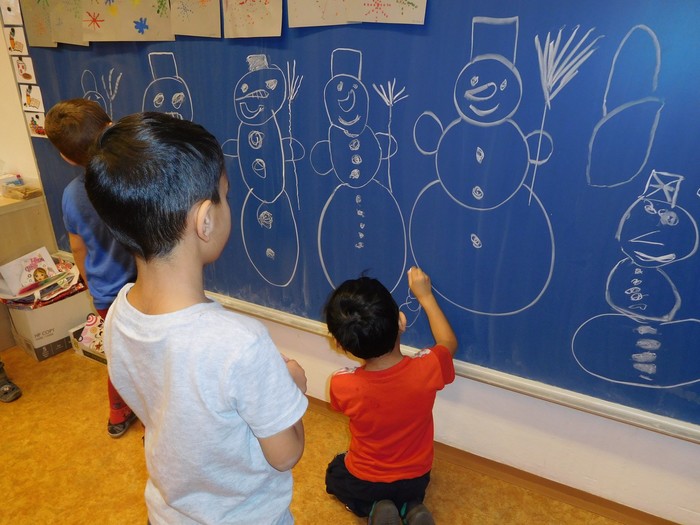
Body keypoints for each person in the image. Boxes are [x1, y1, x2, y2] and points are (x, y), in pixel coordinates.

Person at [84, 112, 308, 524]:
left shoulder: (118, 313)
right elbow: (286, 454)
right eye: (226, 194)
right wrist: (291, 385)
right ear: (205, 220)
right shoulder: (240, 343)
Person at [324, 268, 458, 525]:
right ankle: (411, 506)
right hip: (416, 478)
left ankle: (375, 507)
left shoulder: (341, 384)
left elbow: (341, 406)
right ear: (401, 322)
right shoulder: (428, 368)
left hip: (366, 480)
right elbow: (448, 342)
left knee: (336, 472)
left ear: (341, 345)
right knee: (407, 489)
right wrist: (426, 296)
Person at [45, 99, 138, 438]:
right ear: (111, 127)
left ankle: (117, 413)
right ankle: (156, 419)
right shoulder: (134, 178)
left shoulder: (72, 195)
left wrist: (89, 282)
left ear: (66, 156)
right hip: (144, 288)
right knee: (151, 358)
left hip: (106, 293)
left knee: (119, 356)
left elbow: (77, 247)